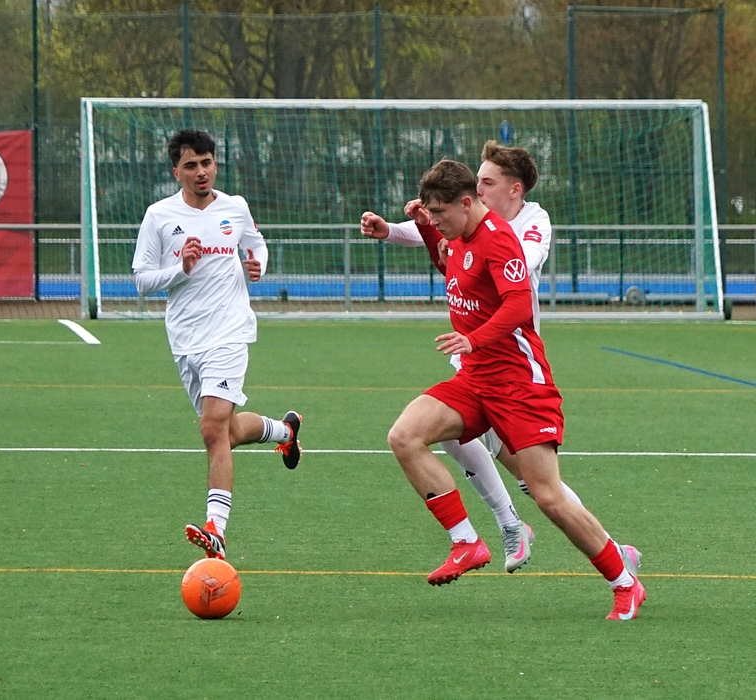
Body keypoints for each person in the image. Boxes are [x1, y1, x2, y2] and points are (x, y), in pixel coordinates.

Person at [362, 159, 644, 620]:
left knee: (548, 496)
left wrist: (473, 338)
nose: (435, 221)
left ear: (467, 202)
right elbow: (451, 266)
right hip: (475, 379)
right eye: (430, 214)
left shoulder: (500, 240)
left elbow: (516, 306)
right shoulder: (457, 238)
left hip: (519, 384)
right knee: (404, 436)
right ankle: (467, 542)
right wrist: (424, 231)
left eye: (439, 214)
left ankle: (624, 581)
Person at [131, 128, 302, 561]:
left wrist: (257, 264)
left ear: (215, 165)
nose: (201, 171)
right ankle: (284, 431)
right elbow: (141, 281)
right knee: (222, 432)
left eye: (207, 162)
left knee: (210, 429)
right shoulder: (158, 216)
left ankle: (216, 530)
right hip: (186, 338)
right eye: (191, 165)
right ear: (177, 171)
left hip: (230, 332)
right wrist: (180, 268)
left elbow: (257, 245)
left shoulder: (235, 207)